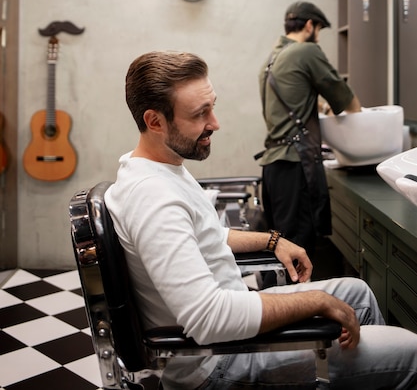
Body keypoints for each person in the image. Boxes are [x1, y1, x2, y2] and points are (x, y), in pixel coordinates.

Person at [105, 50, 417, 390]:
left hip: (226, 338)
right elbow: (209, 319)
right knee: (411, 352)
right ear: (155, 121)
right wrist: (315, 301)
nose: (215, 122)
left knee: (356, 292)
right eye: (200, 114)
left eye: (212, 106)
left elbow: (205, 235)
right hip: (216, 364)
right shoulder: (153, 196)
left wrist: (272, 241)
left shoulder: (160, 169)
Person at [257, 1, 361, 261]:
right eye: (319, 29)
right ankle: (297, 301)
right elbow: (349, 103)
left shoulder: (271, 59)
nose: (318, 35)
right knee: (298, 249)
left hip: (273, 167)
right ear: (309, 25)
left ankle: (274, 298)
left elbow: (292, 103)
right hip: (295, 166)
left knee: (280, 248)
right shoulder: (307, 51)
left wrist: (320, 108)